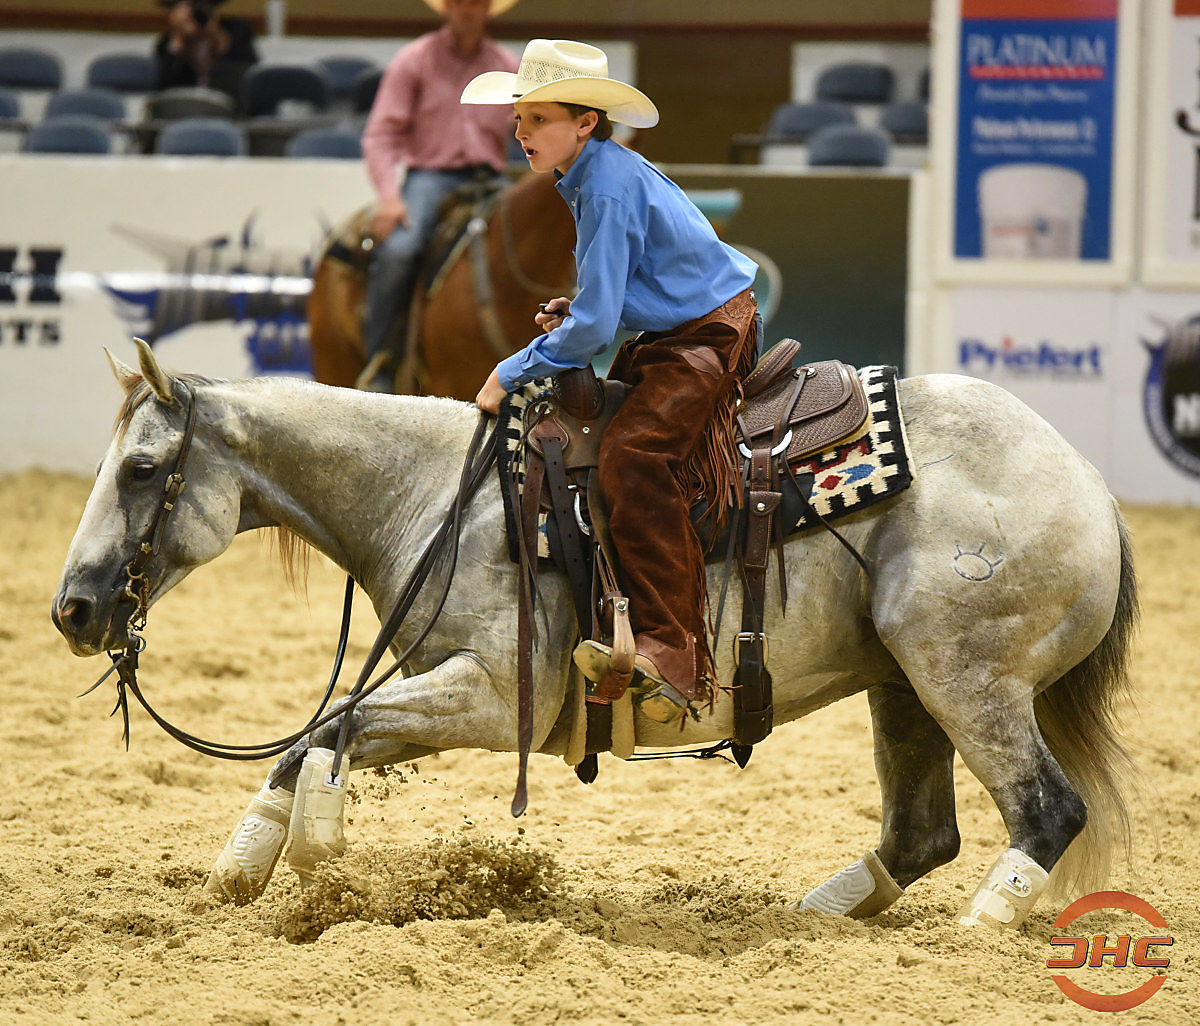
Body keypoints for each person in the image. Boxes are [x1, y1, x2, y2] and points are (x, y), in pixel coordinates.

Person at [463, 39, 761, 720]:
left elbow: (597, 333)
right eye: (519, 119)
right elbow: (612, 299)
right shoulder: (596, 173)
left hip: (708, 336)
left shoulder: (601, 184)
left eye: (537, 119)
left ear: (585, 122)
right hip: (681, 330)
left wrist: (508, 372)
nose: (521, 132)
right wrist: (583, 310)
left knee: (633, 458)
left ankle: (675, 649)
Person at [359, 0, 520, 392]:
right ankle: (380, 361)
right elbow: (381, 135)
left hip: (492, 178)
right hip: (431, 176)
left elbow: (531, 125)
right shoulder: (415, 60)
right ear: (446, 8)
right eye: (459, 2)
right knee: (401, 250)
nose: (468, 9)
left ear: (488, 10)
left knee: (530, 244)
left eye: (476, 2)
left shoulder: (509, 66)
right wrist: (389, 197)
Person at [153, 0, 258, 97]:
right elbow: (163, 88)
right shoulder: (168, 41)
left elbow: (247, 74)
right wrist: (178, 38)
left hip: (227, 102)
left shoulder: (237, 30)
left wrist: (217, 36)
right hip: (187, 105)